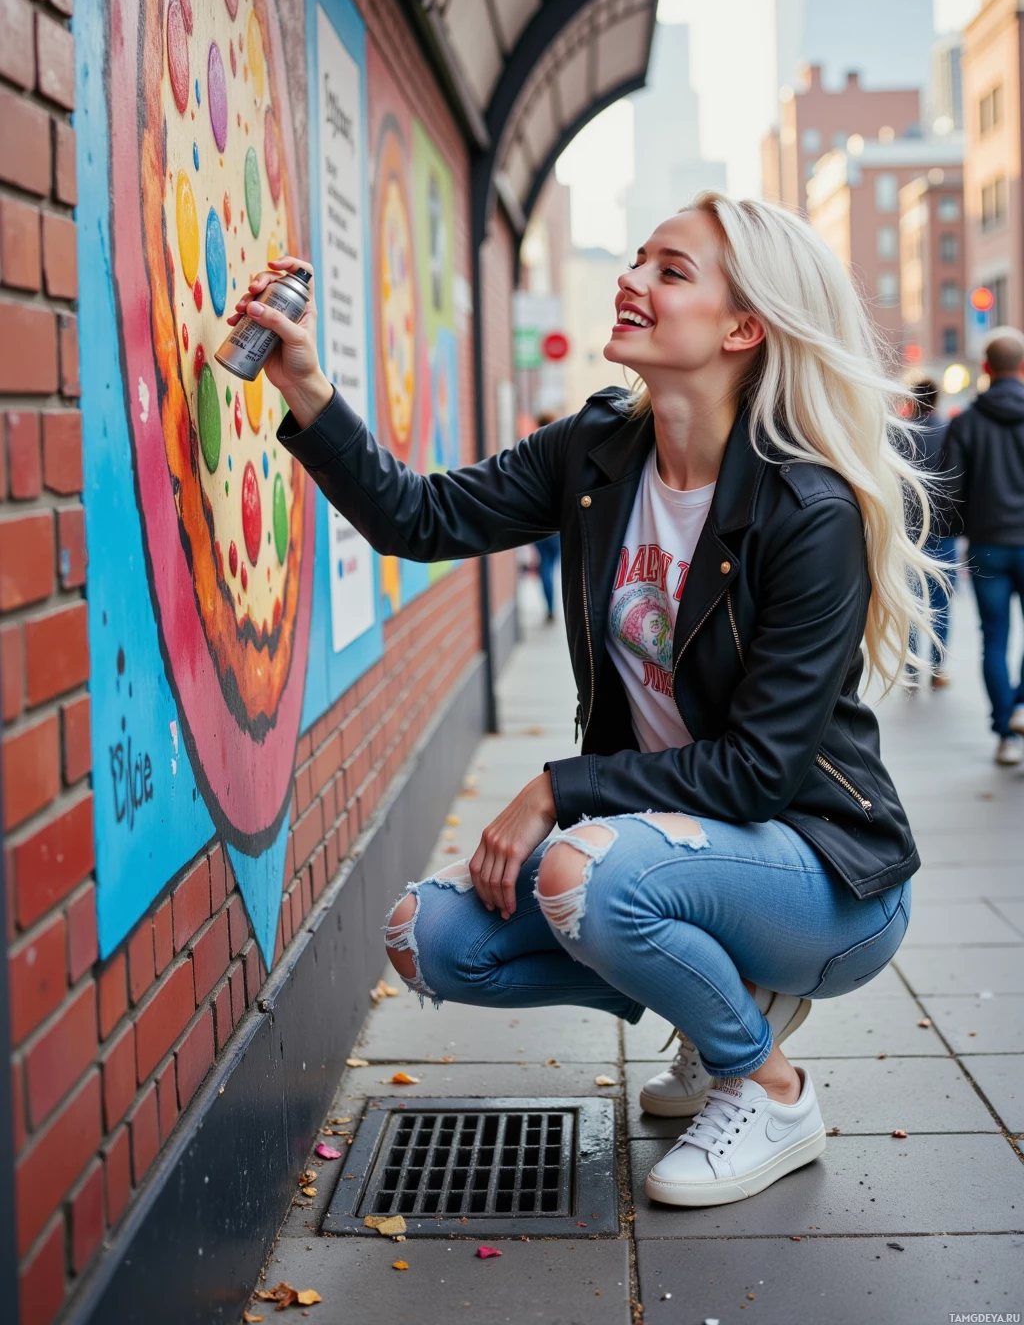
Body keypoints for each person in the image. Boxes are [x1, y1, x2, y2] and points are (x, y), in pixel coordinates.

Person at [231, 194, 933, 1209]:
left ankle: (765, 1085)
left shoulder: (805, 510)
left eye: (670, 270)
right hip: (672, 851)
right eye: (636, 256)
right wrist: (305, 385)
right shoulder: (600, 447)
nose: (632, 279)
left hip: (825, 877)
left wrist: (562, 787)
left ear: (743, 329)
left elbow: (758, 771)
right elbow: (419, 517)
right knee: (426, 938)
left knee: (580, 874)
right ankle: (727, 1010)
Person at [939, 328, 1024, 766]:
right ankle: (1020, 706)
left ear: (987, 368)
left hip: (988, 544)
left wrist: (955, 533)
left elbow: (950, 489)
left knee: (994, 637)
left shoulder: (966, 422)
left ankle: (1005, 730)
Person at [905, 378, 957, 690]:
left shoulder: (900, 432)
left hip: (909, 530)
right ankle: (937, 669)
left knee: (910, 601)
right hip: (942, 527)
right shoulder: (949, 429)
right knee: (941, 601)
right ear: (937, 399)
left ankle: (911, 668)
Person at [532, 413, 561, 623]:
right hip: (559, 523)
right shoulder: (563, 450)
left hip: (538, 521)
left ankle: (550, 608)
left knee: (546, 566)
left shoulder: (533, 450)